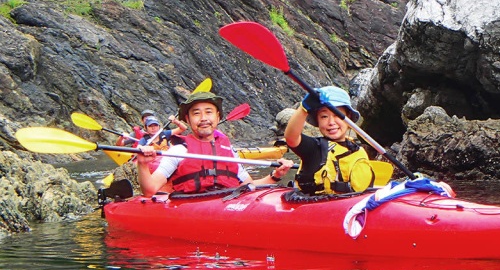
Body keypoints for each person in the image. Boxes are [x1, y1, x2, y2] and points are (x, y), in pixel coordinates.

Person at [137, 92, 293, 196]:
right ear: (188, 120)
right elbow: (150, 190)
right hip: (192, 206)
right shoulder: (179, 151)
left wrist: (276, 175)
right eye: (196, 113)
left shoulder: (229, 152)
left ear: (218, 117)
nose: (203, 118)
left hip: (228, 202)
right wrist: (143, 164)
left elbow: (250, 186)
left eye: (209, 112)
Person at [284, 86, 374, 195]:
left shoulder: (357, 150)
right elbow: (291, 138)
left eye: (337, 115)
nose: (331, 122)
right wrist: (303, 109)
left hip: (352, 205)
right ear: (317, 121)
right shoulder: (314, 148)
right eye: (324, 116)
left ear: (348, 118)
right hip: (317, 206)